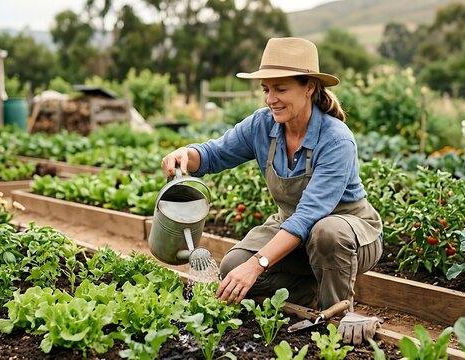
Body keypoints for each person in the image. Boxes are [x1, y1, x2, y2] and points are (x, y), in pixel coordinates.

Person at [160, 37, 383, 311]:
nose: (270, 99)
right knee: (233, 266)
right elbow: (214, 154)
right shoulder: (262, 125)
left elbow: (308, 217)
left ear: (309, 87)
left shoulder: (336, 140)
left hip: (349, 235)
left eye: (280, 89)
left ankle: (335, 315)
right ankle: (307, 292)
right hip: (294, 231)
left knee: (326, 233)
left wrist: (258, 264)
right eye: (266, 89)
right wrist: (186, 154)